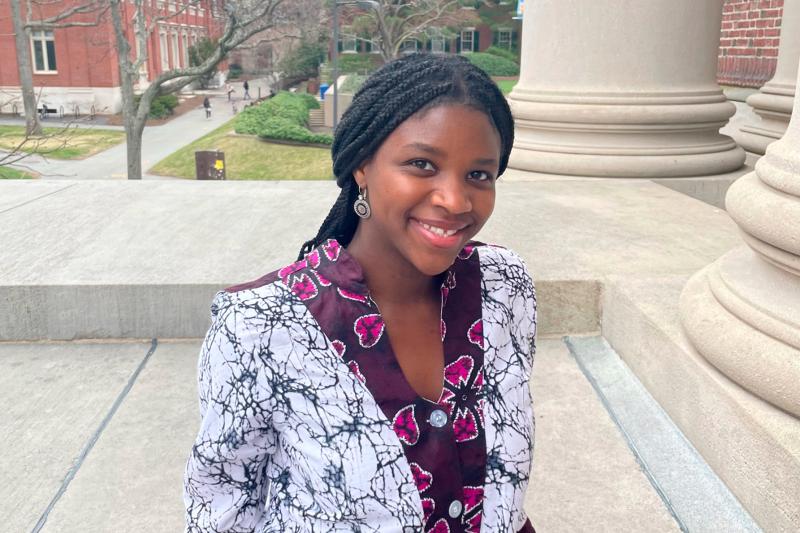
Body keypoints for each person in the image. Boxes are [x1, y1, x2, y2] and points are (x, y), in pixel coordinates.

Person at [184, 53, 537, 532]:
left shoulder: (504, 287)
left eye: (479, 174)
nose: (455, 201)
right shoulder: (260, 326)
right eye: (421, 164)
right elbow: (221, 508)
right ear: (362, 167)